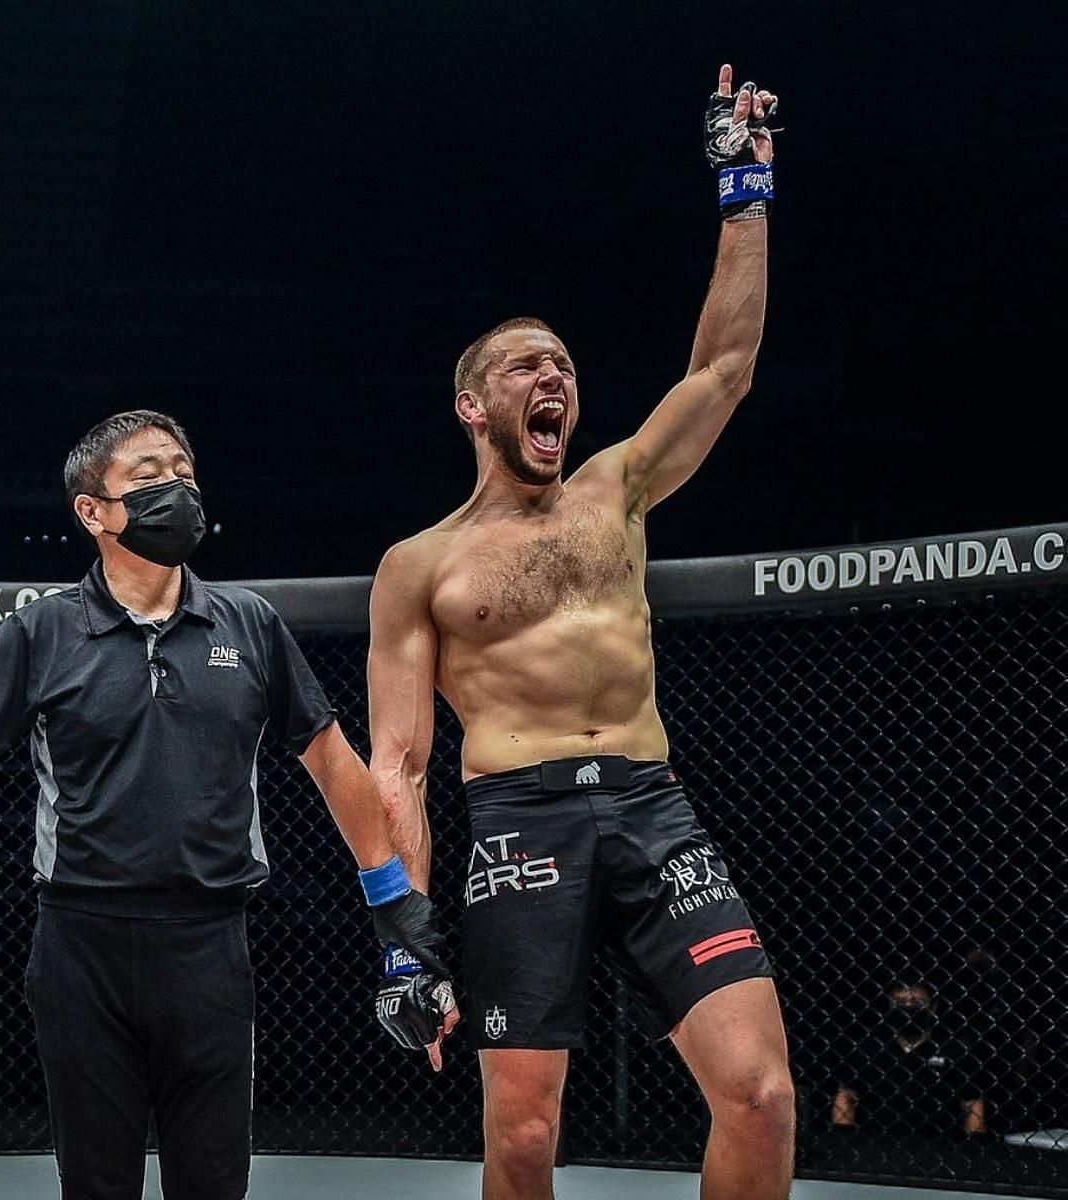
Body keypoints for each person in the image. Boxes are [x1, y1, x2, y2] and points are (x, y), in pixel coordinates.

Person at [0, 410, 454, 1200]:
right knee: (96, 1186)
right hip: (80, 948)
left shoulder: (251, 625)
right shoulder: (43, 631)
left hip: (210, 944)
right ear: (93, 511)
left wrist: (395, 908)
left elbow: (334, 763)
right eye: (150, 475)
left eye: (184, 471)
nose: (178, 488)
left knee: (215, 1185)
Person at [366, 67, 794, 1198]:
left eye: (562, 364)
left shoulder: (618, 489)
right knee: (521, 1140)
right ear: (474, 404)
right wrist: (403, 933)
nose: (553, 376)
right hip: (520, 822)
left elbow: (723, 367)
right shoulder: (421, 564)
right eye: (525, 366)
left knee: (760, 1097)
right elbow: (398, 765)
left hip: (654, 807)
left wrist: (742, 187)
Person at [830, 978, 987, 1137]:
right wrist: (844, 1139)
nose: (908, 1006)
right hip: (877, 1142)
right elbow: (846, 1095)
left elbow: (972, 1102)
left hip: (941, 1145)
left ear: (932, 1007)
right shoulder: (869, 1048)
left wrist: (973, 1146)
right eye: (900, 1002)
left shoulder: (953, 1050)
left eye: (916, 1002)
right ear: (890, 1005)